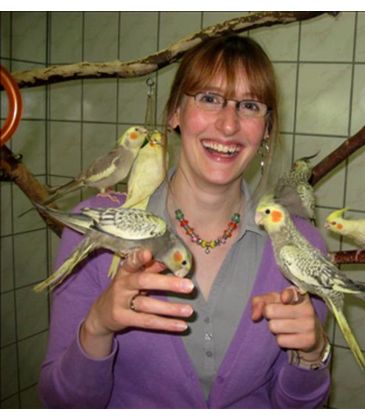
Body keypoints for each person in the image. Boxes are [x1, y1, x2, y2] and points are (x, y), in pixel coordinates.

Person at [38, 35, 331, 408]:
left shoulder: (303, 247)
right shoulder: (99, 232)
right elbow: (60, 403)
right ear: (174, 112)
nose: (228, 125)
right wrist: (96, 328)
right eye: (209, 98)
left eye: (250, 105)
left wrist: (312, 355)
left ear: (267, 129)